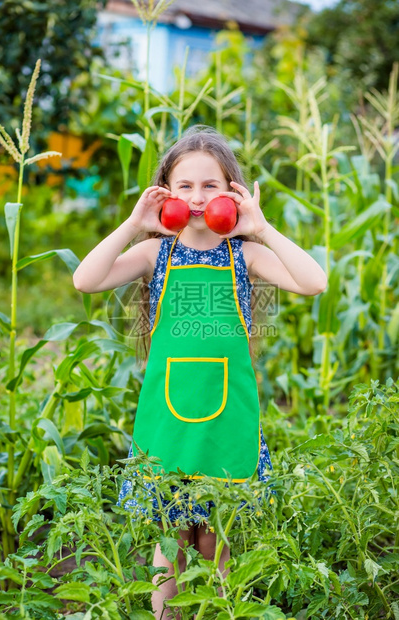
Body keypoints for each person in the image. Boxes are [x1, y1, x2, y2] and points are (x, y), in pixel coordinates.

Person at [73, 125, 328, 619]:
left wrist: (261, 227)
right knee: (170, 550)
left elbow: (313, 282)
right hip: (168, 422)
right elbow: (86, 279)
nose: (196, 198)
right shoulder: (155, 253)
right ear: (165, 191)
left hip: (226, 421)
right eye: (183, 186)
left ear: (231, 190)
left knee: (216, 546)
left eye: (210, 185)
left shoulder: (245, 254)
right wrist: (133, 224)